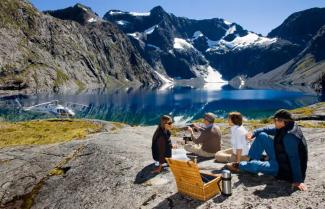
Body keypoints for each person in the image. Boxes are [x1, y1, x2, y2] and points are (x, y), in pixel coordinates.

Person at [226, 109, 308, 191]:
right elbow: (266, 129)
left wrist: (298, 180)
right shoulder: (287, 126)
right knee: (262, 136)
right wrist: (253, 134)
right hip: (281, 156)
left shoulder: (289, 136)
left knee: (255, 165)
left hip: (283, 167)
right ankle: (251, 161)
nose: (274, 122)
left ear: (282, 121)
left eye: (275, 120)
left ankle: (239, 165)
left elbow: (294, 159)